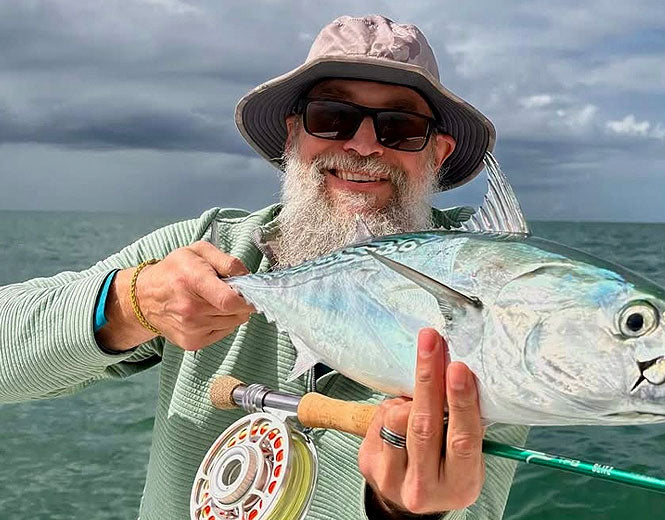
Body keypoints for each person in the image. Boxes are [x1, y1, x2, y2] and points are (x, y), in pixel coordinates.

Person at [0, 15, 527, 520]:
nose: (364, 145)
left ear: (438, 152)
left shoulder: (494, 286)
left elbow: (471, 500)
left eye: (401, 126)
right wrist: (125, 304)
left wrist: (405, 511)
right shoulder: (209, 246)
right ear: (293, 134)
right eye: (332, 116)